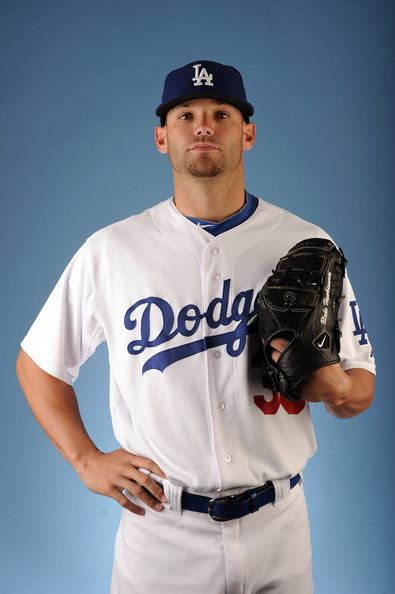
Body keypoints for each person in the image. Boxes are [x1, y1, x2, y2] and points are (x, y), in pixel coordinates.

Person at [16, 60, 375, 594]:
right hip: (162, 533)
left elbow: (360, 385)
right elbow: (38, 362)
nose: (203, 125)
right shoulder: (112, 250)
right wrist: (85, 458)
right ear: (161, 137)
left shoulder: (306, 243)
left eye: (221, 113)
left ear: (247, 133)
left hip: (280, 525)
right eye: (185, 115)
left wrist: (339, 388)